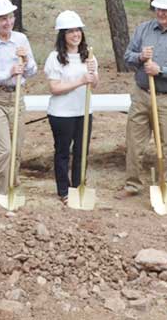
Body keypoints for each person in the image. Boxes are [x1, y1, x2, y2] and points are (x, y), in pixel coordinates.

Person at [116, 0, 167, 199]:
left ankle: (164, 184)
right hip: (141, 95)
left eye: (166, 10)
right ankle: (132, 184)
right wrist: (140, 57)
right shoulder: (143, 30)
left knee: (165, 144)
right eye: (158, 8)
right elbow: (127, 56)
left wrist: (162, 70)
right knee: (134, 142)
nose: (161, 13)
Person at [0, 0, 37, 203]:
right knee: (3, 151)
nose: (8, 22)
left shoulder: (21, 39)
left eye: (10, 17)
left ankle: (12, 187)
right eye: (3, 19)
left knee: (17, 149)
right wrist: (9, 73)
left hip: (17, 98)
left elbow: (32, 71)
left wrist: (27, 60)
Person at [43, 11, 98, 204]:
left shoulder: (88, 56)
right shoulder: (55, 58)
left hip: (83, 112)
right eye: (70, 32)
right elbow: (55, 88)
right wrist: (81, 80)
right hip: (61, 113)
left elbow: (94, 84)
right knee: (63, 152)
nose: (75, 35)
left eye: (78, 31)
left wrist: (92, 74)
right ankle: (64, 191)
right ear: (62, 36)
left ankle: (78, 186)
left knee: (82, 151)